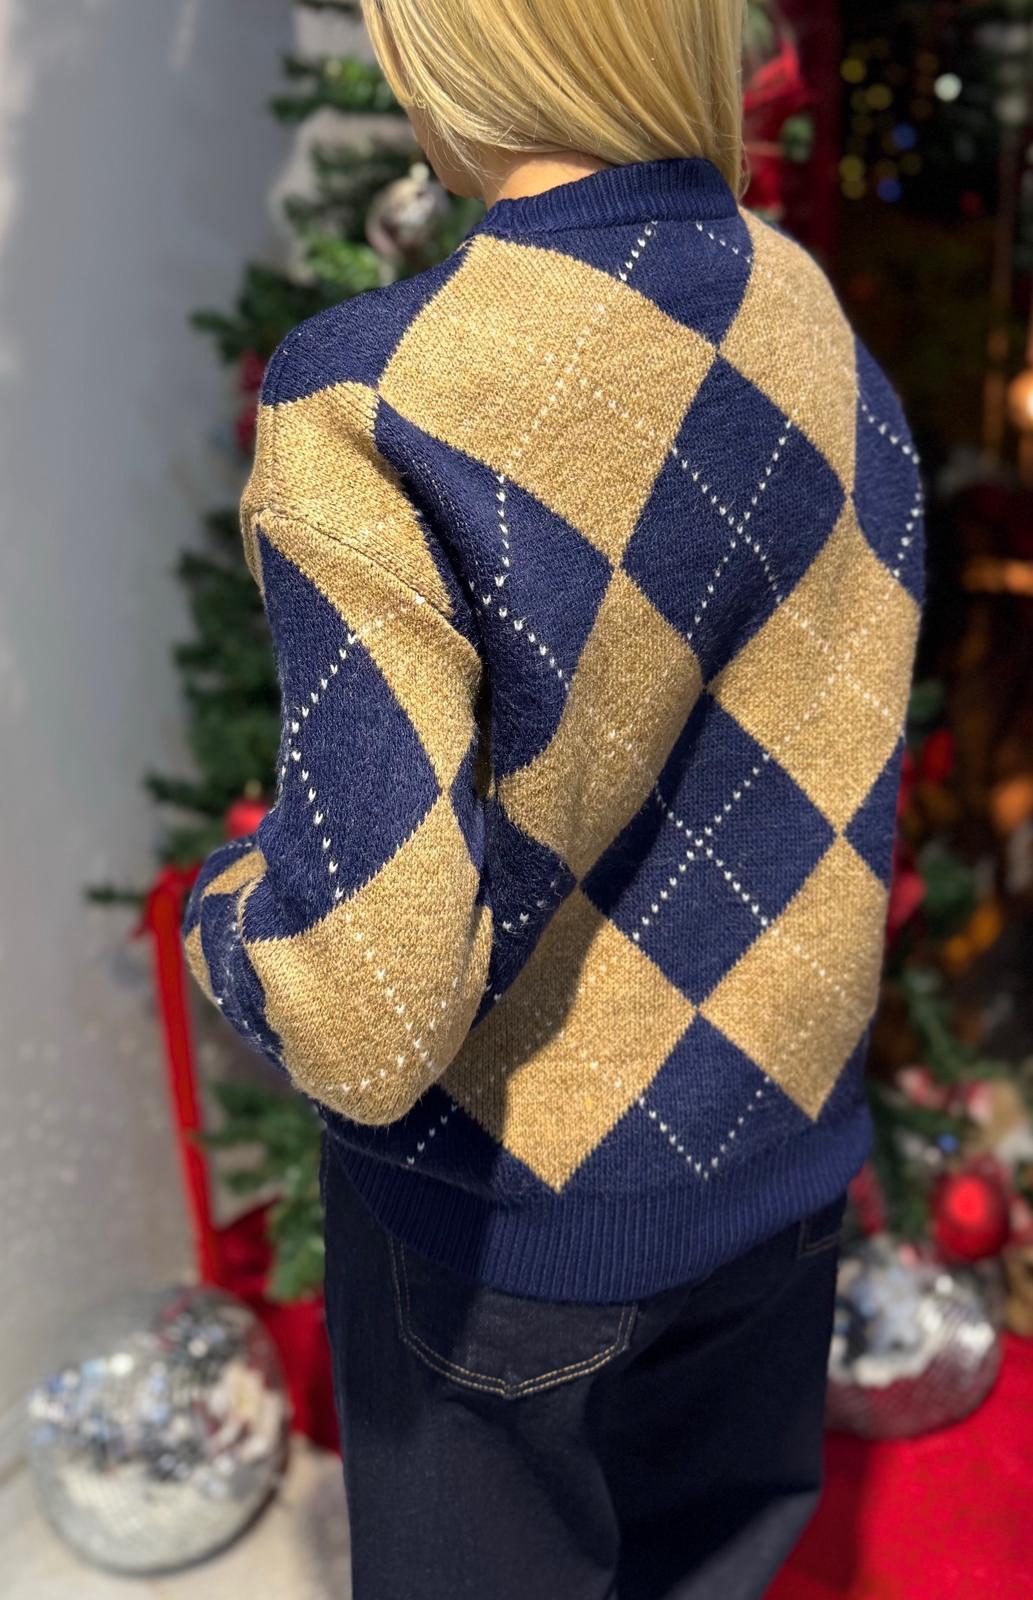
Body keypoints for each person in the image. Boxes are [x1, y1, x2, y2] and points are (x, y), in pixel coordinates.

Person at [182, 3, 925, 1595]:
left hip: (513, 1226)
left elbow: (368, 1012)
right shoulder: (801, 307)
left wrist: (220, 912)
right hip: (781, 1173)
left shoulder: (375, 393)